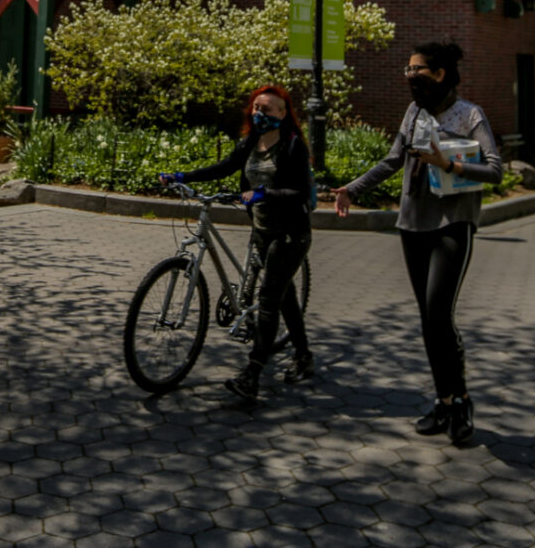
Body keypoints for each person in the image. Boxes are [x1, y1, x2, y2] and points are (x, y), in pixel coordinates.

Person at [333, 42, 502, 446]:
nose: (409, 76)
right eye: (406, 70)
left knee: (440, 315)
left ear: (440, 73)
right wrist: (352, 190)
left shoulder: (469, 115)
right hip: (412, 223)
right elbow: (393, 160)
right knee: (428, 321)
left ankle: (461, 402)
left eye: (417, 69)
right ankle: (443, 401)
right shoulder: (414, 112)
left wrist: (449, 164)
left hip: (452, 223)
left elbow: (494, 170)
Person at [159, 85, 315, 403]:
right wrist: (182, 176)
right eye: (256, 107)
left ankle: (252, 375)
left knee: (269, 299)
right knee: (284, 297)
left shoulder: (293, 146)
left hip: (290, 234)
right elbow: (225, 167)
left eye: (268, 109)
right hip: (261, 230)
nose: (260, 114)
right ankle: (303, 354)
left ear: (283, 115)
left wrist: (263, 193)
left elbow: (298, 192)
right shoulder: (250, 143)